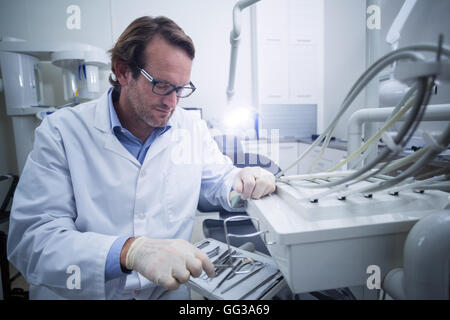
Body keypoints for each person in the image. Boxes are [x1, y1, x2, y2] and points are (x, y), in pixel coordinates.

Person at [7, 16, 276, 300]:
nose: (172, 103)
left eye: (181, 89)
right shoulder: (62, 131)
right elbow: (32, 240)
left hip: (165, 294)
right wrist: (129, 252)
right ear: (123, 72)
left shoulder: (190, 128)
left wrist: (242, 179)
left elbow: (217, 180)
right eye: (161, 85)